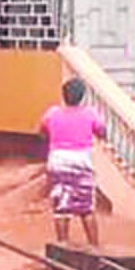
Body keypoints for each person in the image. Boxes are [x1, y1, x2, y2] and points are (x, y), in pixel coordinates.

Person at [40, 78, 107, 247]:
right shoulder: (90, 113)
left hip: (58, 160)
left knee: (61, 209)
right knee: (86, 209)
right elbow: (102, 132)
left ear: (64, 96)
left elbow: (41, 132)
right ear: (82, 97)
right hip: (81, 161)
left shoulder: (52, 113)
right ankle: (94, 248)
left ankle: (63, 246)